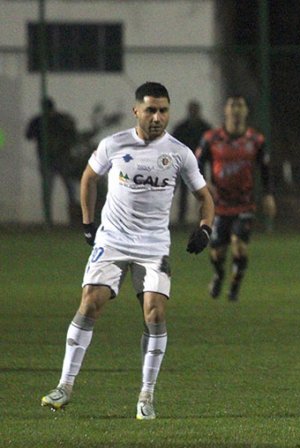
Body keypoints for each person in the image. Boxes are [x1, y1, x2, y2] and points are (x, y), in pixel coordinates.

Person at [40, 82, 215, 419]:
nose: (157, 117)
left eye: (163, 110)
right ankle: (64, 386)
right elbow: (89, 178)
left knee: (155, 313)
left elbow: (205, 197)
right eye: (150, 110)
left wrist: (205, 229)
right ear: (137, 110)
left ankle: (146, 396)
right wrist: (89, 224)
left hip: (153, 246)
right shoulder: (114, 144)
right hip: (113, 239)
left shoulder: (179, 153)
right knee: (90, 302)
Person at [196, 95, 275, 301]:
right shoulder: (210, 138)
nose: (236, 109)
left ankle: (234, 287)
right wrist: (204, 185)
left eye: (241, 105)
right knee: (217, 253)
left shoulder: (256, 140)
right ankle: (219, 275)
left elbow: (265, 170)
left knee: (239, 245)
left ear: (246, 111)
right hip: (219, 204)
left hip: (244, 204)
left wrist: (268, 195)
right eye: (232, 105)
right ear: (226, 110)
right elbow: (194, 165)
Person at [25, 98, 80, 225]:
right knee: (51, 190)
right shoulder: (39, 121)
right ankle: (48, 220)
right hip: (49, 160)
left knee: (69, 190)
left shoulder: (60, 120)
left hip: (62, 160)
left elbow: (72, 135)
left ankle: (73, 219)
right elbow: (29, 135)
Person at [171, 100, 212, 225]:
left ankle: (202, 218)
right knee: (183, 193)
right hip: (183, 166)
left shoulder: (205, 128)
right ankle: (182, 220)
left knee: (201, 194)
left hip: (200, 166)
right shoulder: (182, 128)